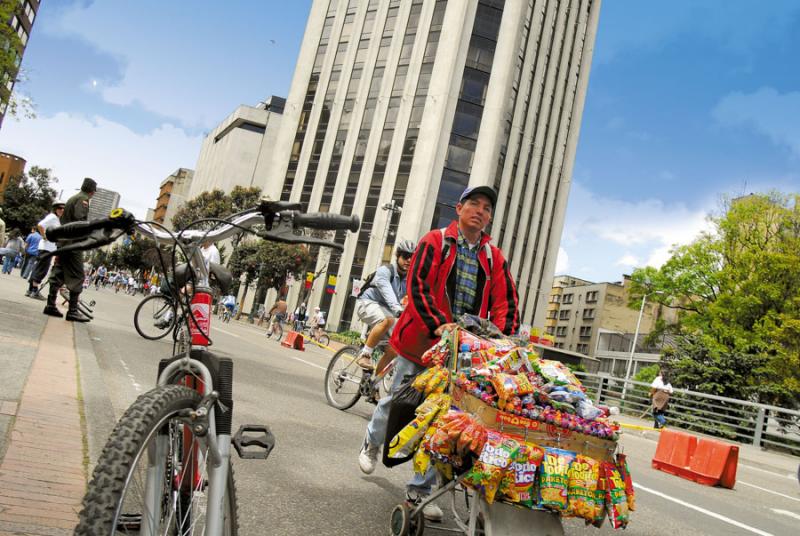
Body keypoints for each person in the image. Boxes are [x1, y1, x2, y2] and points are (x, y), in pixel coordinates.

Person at [358, 185, 519, 521]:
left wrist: (502, 339)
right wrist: (439, 326)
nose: (480, 211)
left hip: (465, 354)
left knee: (447, 421)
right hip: (423, 342)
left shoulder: (493, 257)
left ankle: (420, 491)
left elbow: (506, 301)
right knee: (399, 403)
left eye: (487, 208)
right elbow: (418, 287)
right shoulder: (434, 241)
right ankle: (372, 442)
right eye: (474, 203)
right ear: (459, 208)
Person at [354, 239, 415, 372]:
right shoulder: (385, 271)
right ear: (398, 256)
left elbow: (415, 299)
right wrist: (398, 309)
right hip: (367, 303)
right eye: (405, 256)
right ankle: (365, 354)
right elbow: (387, 291)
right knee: (388, 319)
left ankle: (373, 384)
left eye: (412, 257)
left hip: (385, 311)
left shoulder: (409, 279)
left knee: (394, 350)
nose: (409, 260)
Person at [43, 178, 96, 322]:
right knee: (78, 275)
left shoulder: (73, 198)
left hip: (64, 242)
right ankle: (72, 311)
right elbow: (80, 220)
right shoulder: (83, 199)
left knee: (59, 272)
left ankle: (50, 304)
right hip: (73, 244)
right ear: (92, 191)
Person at [27, 199, 66, 299]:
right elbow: (40, 225)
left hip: (48, 248)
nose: (62, 210)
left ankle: (30, 289)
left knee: (38, 268)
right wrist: (44, 236)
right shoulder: (52, 217)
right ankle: (34, 291)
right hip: (46, 247)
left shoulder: (57, 219)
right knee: (42, 269)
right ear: (55, 209)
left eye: (63, 209)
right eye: (59, 208)